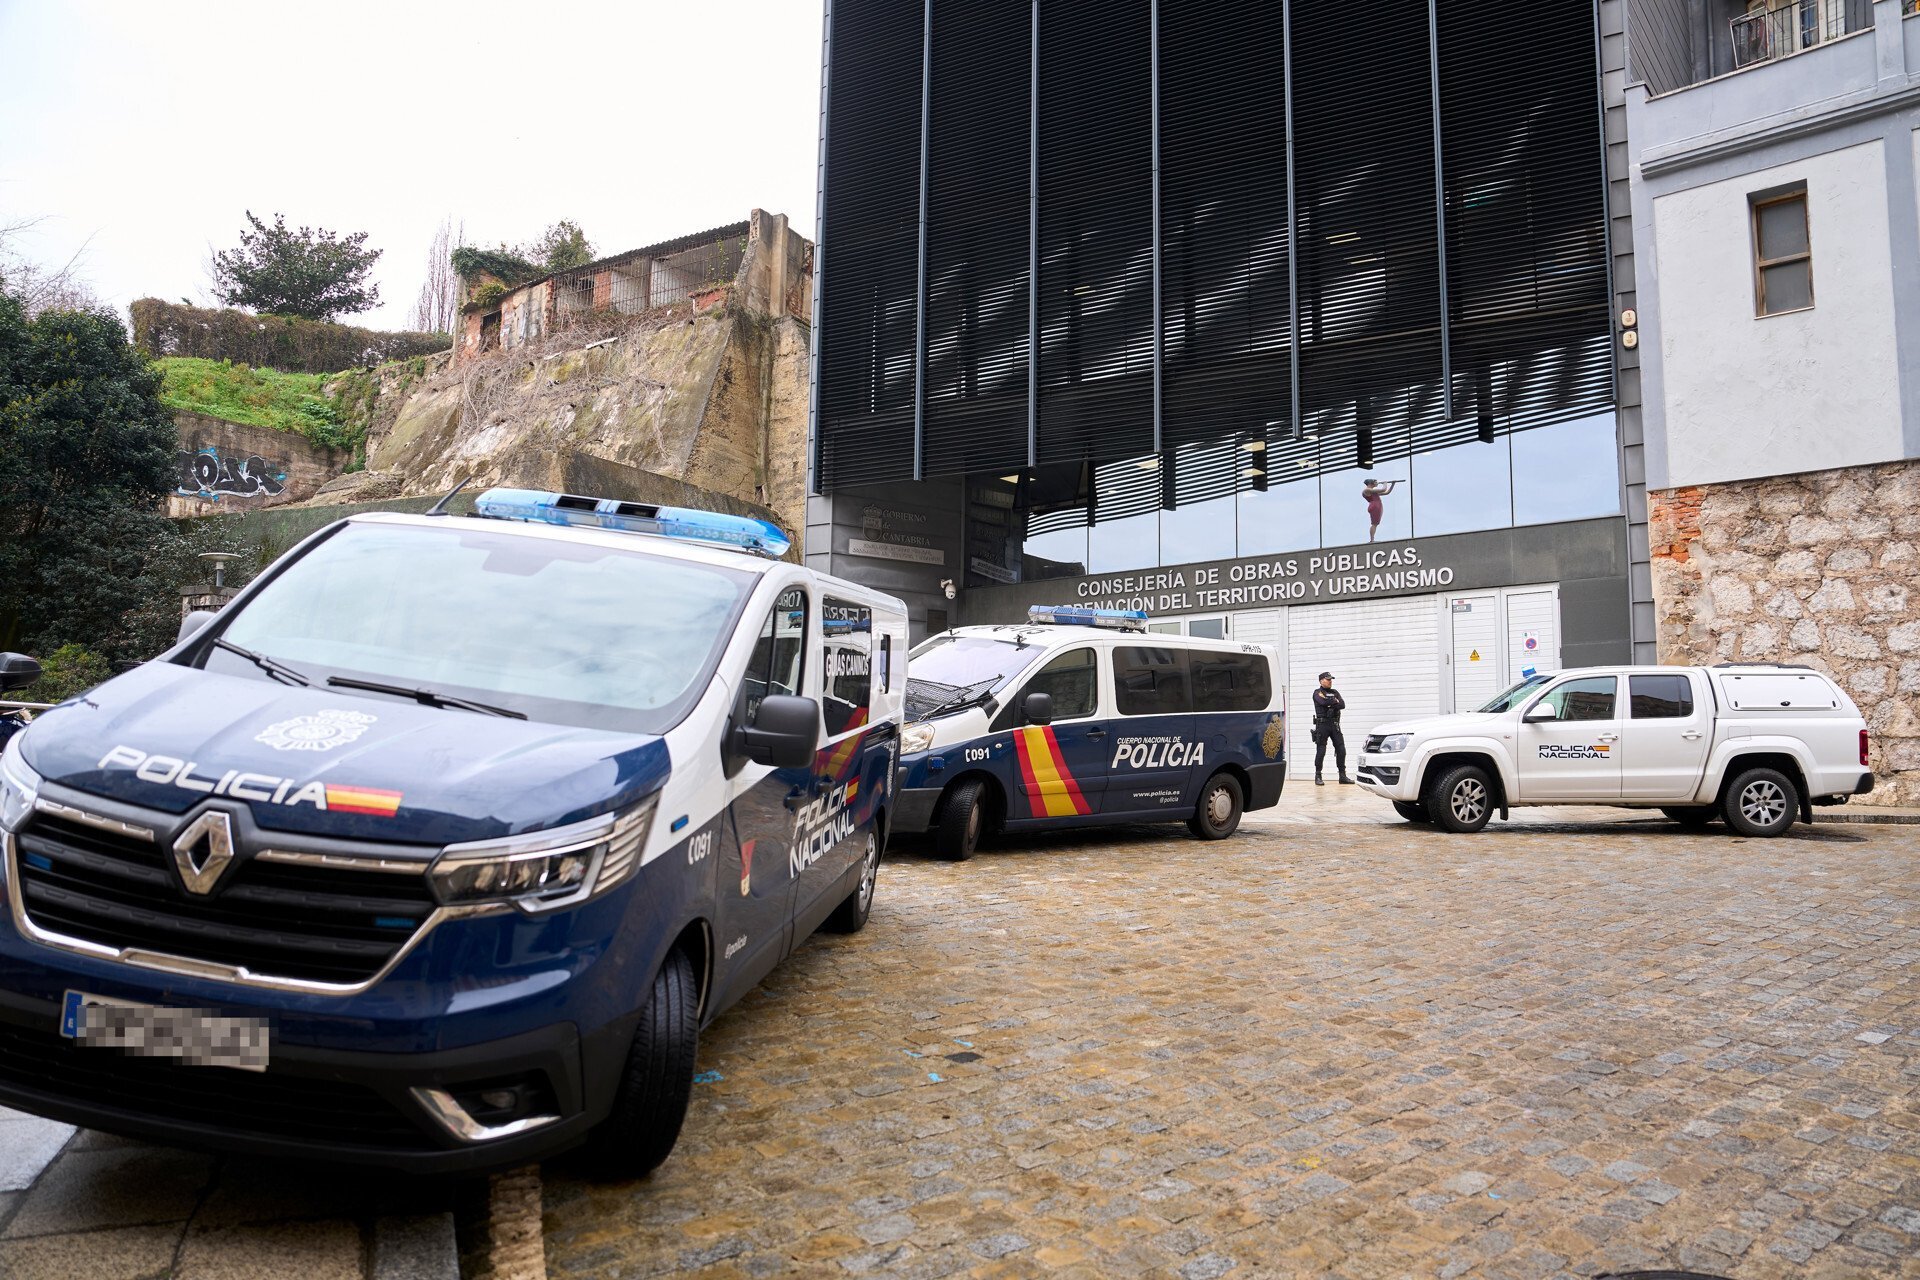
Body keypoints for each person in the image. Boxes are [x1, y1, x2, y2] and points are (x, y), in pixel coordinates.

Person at [1311, 671, 1349, 786]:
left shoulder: (1335, 692)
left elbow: (1342, 704)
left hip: (1334, 724)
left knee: (1341, 749)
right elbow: (1322, 702)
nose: (1330, 681)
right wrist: (1334, 701)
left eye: (1331, 679)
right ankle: (1318, 776)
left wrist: (1330, 703)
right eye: (1328, 679)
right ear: (1321, 681)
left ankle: (1342, 776)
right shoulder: (1317, 692)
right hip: (1322, 725)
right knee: (1321, 750)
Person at [1361, 477, 1400, 543]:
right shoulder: (1367, 490)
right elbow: (1383, 489)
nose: (1377, 483)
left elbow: (1387, 492)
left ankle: (1372, 539)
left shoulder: (1372, 491)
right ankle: (1372, 540)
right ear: (1371, 483)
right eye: (1375, 482)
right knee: (1374, 524)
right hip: (1375, 505)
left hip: (1377, 505)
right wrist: (1385, 483)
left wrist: (1392, 484)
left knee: (1375, 523)